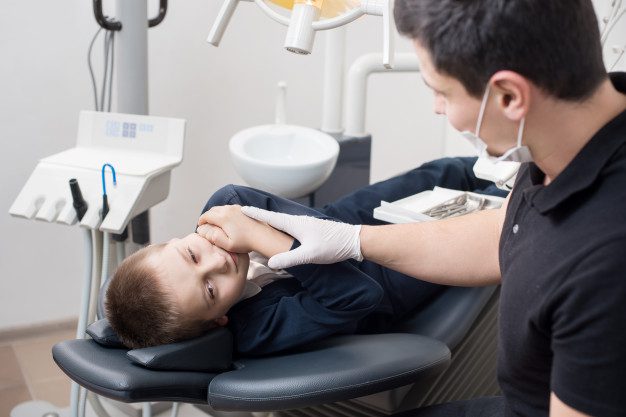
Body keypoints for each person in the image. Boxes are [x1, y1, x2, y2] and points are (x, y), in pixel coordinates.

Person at [200, 1, 626, 416]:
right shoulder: (569, 137)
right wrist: (354, 240)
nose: (438, 108)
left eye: (441, 92)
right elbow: (506, 233)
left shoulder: (604, 265)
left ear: (510, 96)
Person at [105, 157, 503, 353]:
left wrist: (239, 225)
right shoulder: (257, 330)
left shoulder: (217, 222)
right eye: (209, 289)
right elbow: (360, 295)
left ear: (178, 239)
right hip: (385, 280)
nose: (216, 262)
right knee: (486, 208)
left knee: (443, 173)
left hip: (343, 221)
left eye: (192, 255)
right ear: (218, 321)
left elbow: (230, 195)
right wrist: (267, 239)